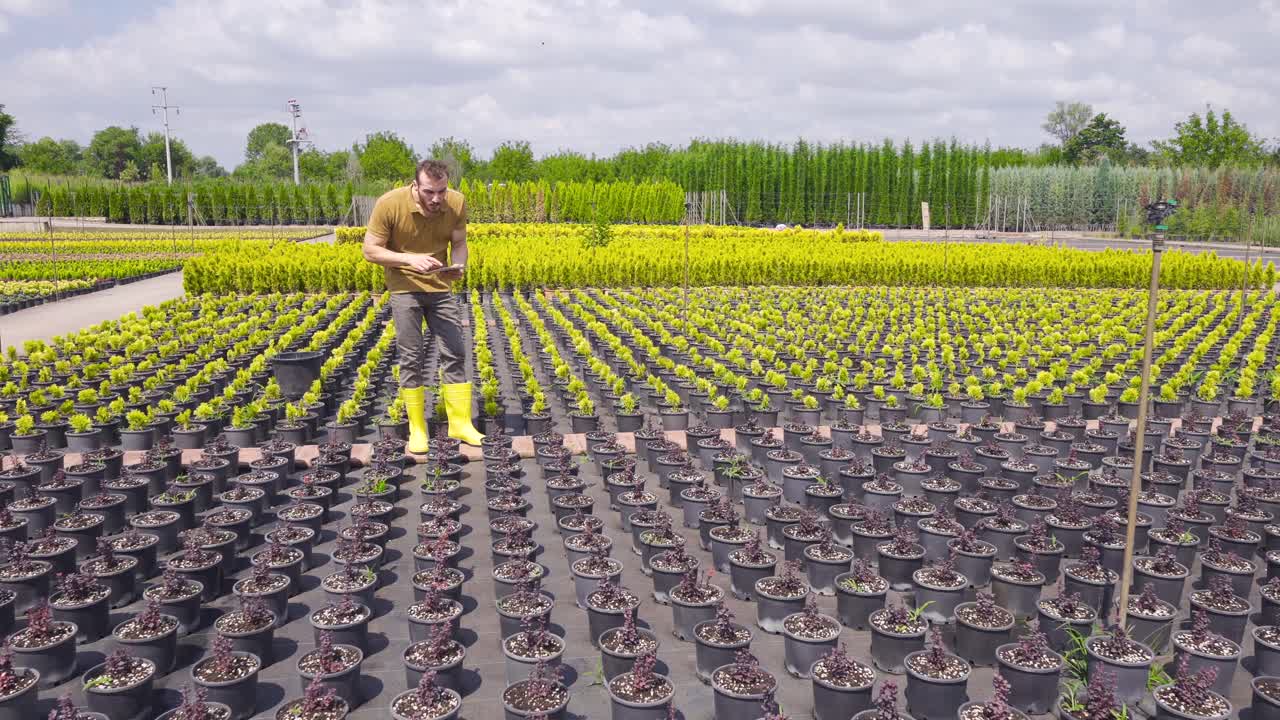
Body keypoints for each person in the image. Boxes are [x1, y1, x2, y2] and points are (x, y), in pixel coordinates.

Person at [361, 159, 484, 453]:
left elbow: (460, 243)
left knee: (455, 351)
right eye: (429, 192)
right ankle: (417, 428)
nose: (437, 198)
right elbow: (370, 250)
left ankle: (460, 424)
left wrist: (458, 266)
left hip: (440, 287)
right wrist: (409, 259)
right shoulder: (390, 204)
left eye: (442, 191)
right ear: (415, 186)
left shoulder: (456, 203)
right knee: (411, 357)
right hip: (404, 287)